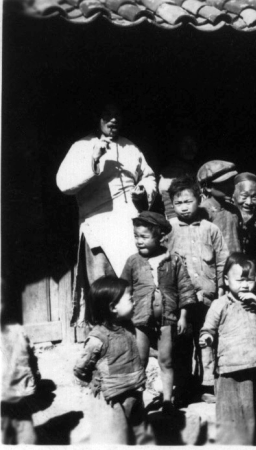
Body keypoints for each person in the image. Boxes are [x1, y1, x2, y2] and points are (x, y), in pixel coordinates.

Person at [56, 104, 156, 322]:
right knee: (103, 288)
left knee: (131, 282)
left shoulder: (130, 147)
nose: (113, 120)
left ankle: (134, 336)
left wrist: (144, 190)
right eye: (107, 115)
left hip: (129, 225)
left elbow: (148, 176)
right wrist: (93, 161)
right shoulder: (81, 146)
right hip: (97, 224)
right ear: (97, 118)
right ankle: (104, 339)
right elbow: (64, 184)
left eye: (117, 115)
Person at [200, 253, 256, 445]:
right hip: (230, 369)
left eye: (250, 280)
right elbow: (208, 328)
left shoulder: (255, 303)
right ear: (226, 280)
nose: (245, 285)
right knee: (234, 416)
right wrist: (207, 337)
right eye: (240, 280)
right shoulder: (220, 305)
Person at [120, 211, 195, 411]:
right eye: (136, 236)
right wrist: (124, 314)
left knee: (166, 360)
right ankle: (137, 401)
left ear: (160, 236)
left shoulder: (174, 260)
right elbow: (124, 289)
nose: (139, 241)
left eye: (144, 237)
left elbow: (185, 288)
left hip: (168, 320)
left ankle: (168, 401)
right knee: (140, 360)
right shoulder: (133, 262)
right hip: (141, 320)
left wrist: (183, 316)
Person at [168, 176, 229, 402]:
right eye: (178, 203)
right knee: (181, 344)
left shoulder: (210, 229)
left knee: (206, 341)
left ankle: (208, 386)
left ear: (199, 199)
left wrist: (222, 287)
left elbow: (222, 259)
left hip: (207, 297)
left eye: (188, 201)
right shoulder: (169, 230)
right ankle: (183, 386)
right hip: (180, 300)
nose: (184, 207)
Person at [73, 277, 149, 444]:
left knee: (138, 436)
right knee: (114, 439)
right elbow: (80, 368)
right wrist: (95, 381)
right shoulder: (98, 338)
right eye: (130, 299)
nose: (135, 302)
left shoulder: (129, 327)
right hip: (111, 398)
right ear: (113, 307)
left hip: (134, 391)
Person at [2, 280, 40, 445]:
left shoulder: (18, 332)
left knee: (28, 438)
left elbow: (31, 360)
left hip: (19, 399)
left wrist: (34, 378)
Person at [197, 160, 241, 254]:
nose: (230, 187)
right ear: (208, 187)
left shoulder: (233, 209)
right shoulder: (204, 210)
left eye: (231, 182)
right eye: (224, 183)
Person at [158, 134, 199, 220]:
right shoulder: (171, 171)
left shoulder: (195, 167)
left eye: (193, 144)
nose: (189, 147)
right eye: (184, 144)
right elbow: (166, 196)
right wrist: (173, 219)